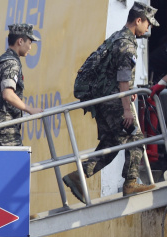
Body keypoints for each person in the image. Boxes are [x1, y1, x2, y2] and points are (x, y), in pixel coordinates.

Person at [62, 1, 159, 204]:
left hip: (104, 101)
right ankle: (130, 184)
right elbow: (123, 79)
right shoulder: (127, 44)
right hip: (113, 102)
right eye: (148, 23)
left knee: (112, 143)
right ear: (138, 20)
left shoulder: (116, 37)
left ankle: (78, 176)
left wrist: (127, 92)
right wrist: (127, 110)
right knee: (136, 138)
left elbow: (114, 76)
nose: (148, 28)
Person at [0, 23, 44, 146]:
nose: (30, 47)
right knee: (19, 164)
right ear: (20, 41)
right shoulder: (11, 63)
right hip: (3, 130)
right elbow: (7, 94)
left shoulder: (1, 60)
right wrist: (29, 109)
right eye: (30, 43)